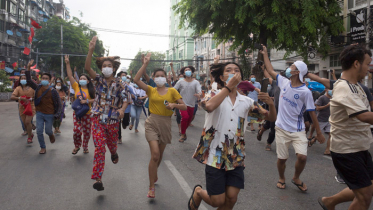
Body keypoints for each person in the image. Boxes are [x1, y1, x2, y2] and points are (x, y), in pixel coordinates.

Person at [188, 62, 277, 210]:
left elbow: (271, 118)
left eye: (236, 70)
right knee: (217, 201)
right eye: (228, 70)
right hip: (214, 153)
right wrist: (228, 87)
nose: (233, 72)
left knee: (231, 198)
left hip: (236, 154)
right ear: (222, 77)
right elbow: (209, 106)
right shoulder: (212, 94)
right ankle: (198, 192)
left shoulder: (247, 101)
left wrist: (271, 104)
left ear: (241, 77)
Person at [260, 45, 326, 191]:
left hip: (298, 130)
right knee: (282, 159)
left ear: (297, 72)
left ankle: (296, 177)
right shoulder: (284, 82)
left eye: (292, 67)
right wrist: (265, 53)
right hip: (281, 128)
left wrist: (319, 133)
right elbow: (270, 70)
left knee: (302, 157)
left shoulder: (305, 92)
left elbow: (312, 112)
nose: (289, 68)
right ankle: (282, 178)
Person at [318, 45, 373, 210]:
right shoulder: (344, 87)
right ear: (356, 64)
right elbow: (363, 116)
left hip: (360, 147)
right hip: (347, 151)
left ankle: (329, 201)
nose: (369, 68)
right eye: (367, 64)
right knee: (364, 198)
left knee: (368, 189)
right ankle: (329, 202)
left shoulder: (357, 87)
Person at [133, 52, 187, 198]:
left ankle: (153, 174)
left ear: (166, 77)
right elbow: (136, 79)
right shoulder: (151, 89)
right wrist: (145, 64)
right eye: (157, 76)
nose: (159, 78)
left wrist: (173, 105)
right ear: (154, 77)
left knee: (160, 155)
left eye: (162, 76)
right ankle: (151, 187)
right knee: (155, 154)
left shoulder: (172, 90)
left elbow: (184, 107)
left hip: (166, 124)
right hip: (152, 122)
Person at [85, 36, 131, 191]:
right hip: (97, 118)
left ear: (113, 68)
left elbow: (126, 99)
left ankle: (114, 153)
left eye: (109, 66)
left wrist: (122, 110)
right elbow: (87, 69)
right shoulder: (98, 80)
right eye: (104, 65)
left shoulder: (120, 84)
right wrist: (91, 50)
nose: (106, 68)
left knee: (111, 145)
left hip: (113, 121)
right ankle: (97, 178)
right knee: (99, 148)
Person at [25, 60, 61, 154]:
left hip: (50, 114)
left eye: (46, 78)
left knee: (48, 130)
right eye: (43, 78)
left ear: (49, 80)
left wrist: (57, 114)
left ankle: (51, 134)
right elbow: (29, 81)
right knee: (39, 131)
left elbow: (59, 104)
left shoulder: (53, 91)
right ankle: (43, 147)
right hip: (40, 113)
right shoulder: (38, 88)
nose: (44, 80)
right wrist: (28, 67)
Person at [65, 55, 95, 154]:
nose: (81, 79)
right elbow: (70, 75)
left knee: (86, 132)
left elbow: (96, 100)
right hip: (77, 113)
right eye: (80, 78)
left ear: (88, 81)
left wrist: (87, 101)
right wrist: (67, 63)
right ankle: (77, 146)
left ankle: (85, 146)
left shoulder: (92, 90)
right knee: (77, 131)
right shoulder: (76, 86)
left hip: (87, 114)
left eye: (84, 78)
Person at [173, 66, 202, 143]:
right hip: (182, 104)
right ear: (183, 73)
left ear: (192, 72)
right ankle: (182, 134)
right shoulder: (180, 82)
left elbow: (199, 91)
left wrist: (199, 94)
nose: (188, 71)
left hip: (192, 104)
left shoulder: (196, 82)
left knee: (189, 120)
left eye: (189, 70)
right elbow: (173, 90)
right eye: (186, 70)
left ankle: (184, 132)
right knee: (185, 117)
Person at [257, 67, 281, 151]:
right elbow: (268, 77)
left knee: (270, 126)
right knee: (271, 127)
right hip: (274, 110)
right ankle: (268, 143)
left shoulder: (291, 87)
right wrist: (263, 68)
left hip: (283, 112)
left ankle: (262, 134)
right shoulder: (276, 84)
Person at [11, 74, 36, 144]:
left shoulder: (32, 88)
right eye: (22, 78)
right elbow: (12, 97)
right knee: (25, 123)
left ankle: (29, 137)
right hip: (22, 107)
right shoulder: (18, 88)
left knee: (28, 121)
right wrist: (20, 98)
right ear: (20, 80)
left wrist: (31, 99)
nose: (23, 80)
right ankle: (30, 133)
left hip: (31, 107)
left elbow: (37, 96)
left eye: (25, 78)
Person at [308, 89, 332, 155]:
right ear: (327, 90)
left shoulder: (333, 99)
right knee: (319, 134)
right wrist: (327, 105)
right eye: (331, 90)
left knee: (331, 135)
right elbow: (317, 108)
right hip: (321, 119)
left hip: (329, 120)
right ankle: (313, 140)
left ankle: (327, 150)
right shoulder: (322, 98)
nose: (332, 91)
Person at [117, 71, 135, 143]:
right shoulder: (116, 85)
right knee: (117, 123)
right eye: (122, 75)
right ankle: (119, 138)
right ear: (119, 77)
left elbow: (134, 95)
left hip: (126, 108)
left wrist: (133, 96)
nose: (124, 76)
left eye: (125, 75)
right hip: (118, 107)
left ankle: (125, 124)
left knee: (125, 123)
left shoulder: (128, 86)